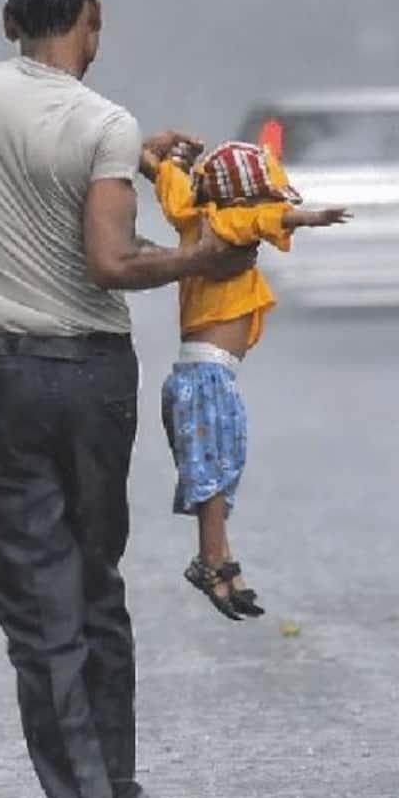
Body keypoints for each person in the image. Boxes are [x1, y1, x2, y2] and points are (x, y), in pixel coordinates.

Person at [0, 0, 255, 798]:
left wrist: (127, 153)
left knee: (40, 611)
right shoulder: (107, 124)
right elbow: (113, 262)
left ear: (6, 24)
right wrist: (201, 257)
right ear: (95, 23)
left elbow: (42, 161)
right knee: (94, 587)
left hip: (3, 376)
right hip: (93, 382)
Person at [150, 139, 348, 619]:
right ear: (241, 200)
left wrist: (158, 164)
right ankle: (212, 560)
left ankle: (220, 556)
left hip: (205, 375)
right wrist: (309, 219)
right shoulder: (225, 223)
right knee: (214, 476)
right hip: (208, 376)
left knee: (217, 472)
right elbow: (261, 220)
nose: (275, 207)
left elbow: (173, 189)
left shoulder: (193, 217)